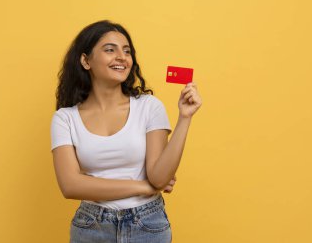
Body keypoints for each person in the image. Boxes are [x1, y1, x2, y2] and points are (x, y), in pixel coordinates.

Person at [50, 20, 202, 243]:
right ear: (85, 61)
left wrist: (185, 117)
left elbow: (159, 178)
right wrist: (142, 186)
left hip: (147, 224)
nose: (122, 57)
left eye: (127, 51)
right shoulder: (65, 118)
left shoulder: (149, 106)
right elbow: (70, 185)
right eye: (110, 50)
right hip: (91, 226)